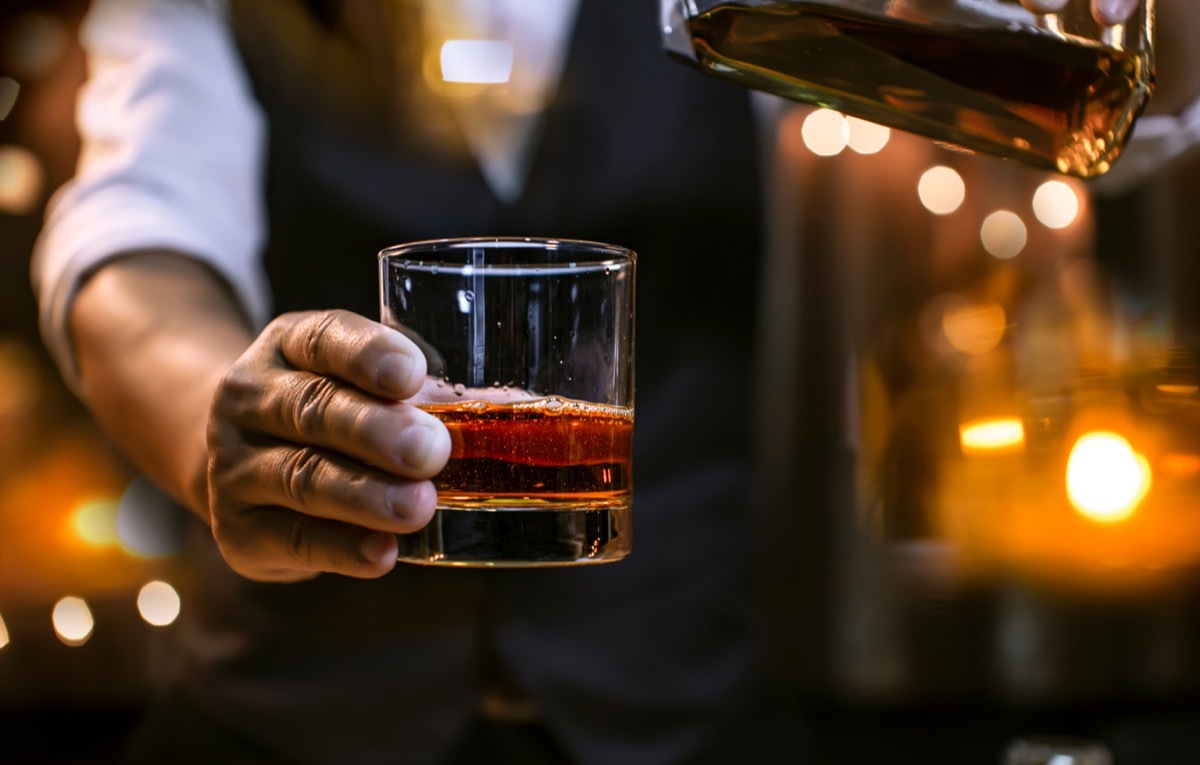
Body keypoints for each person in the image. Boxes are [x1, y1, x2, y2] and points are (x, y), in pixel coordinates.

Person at [30, 0, 1192, 763]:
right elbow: (132, 242)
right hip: (287, 728)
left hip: (684, 717)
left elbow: (1135, 114)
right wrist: (217, 423)